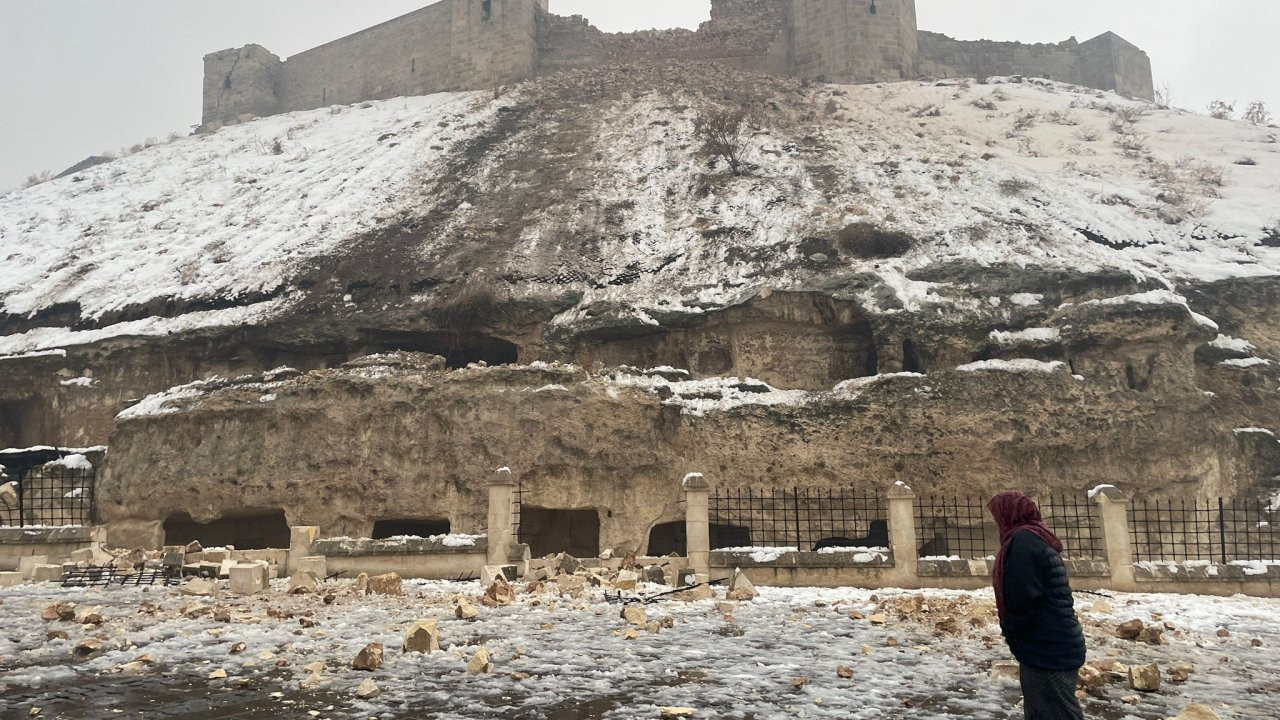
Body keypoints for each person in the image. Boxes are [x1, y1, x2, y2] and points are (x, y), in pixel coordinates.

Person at [987, 491, 1086, 720]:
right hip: (1055, 642)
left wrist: (1012, 631)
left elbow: (1023, 596)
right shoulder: (1035, 536)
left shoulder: (1023, 542)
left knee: (1054, 713)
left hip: (1047, 647)